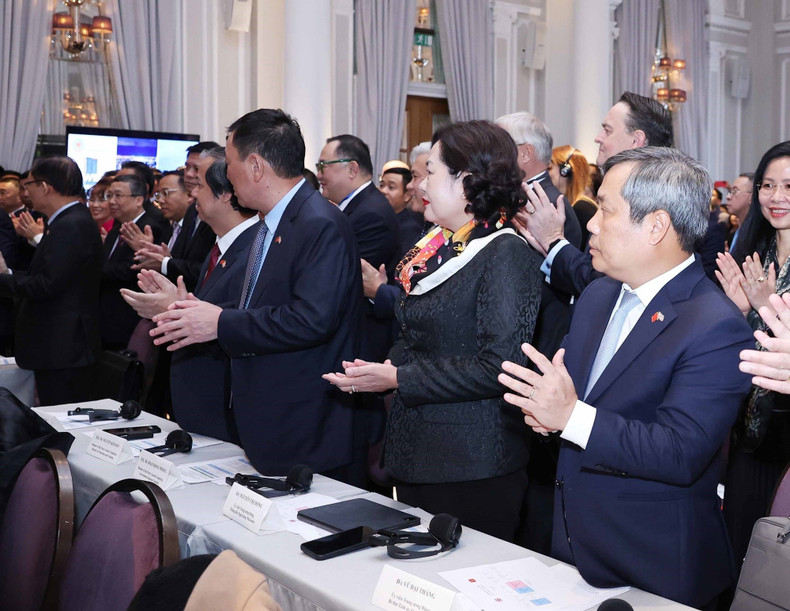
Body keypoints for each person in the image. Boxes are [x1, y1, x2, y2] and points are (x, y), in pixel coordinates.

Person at [499, 147, 753, 607]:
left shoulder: (716, 327)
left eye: (606, 210)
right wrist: (547, 416)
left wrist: (570, 417)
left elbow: (680, 452)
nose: (591, 224)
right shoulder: (599, 295)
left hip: (654, 569)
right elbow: (576, 405)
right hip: (573, 550)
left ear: (656, 226)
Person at [323, 120, 543, 542]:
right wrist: (380, 370)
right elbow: (419, 334)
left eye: (432, 172)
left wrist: (398, 377)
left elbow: (501, 365)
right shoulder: (440, 245)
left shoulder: (505, 253)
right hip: (418, 453)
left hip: (472, 463)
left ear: (469, 182)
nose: (419, 183)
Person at [149, 109, 363, 483]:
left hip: (304, 426)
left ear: (255, 166)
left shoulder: (318, 223)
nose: (226, 175)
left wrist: (218, 322)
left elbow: (311, 320)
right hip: (266, 420)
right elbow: (262, 306)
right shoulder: (272, 222)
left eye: (229, 164)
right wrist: (202, 312)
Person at [121, 147, 259, 441]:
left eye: (199, 187)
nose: (192, 195)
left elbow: (239, 324)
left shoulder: (254, 250)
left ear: (225, 194)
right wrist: (178, 303)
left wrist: (175, 308)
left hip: (225, 410)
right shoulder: (224, 245)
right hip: (199, 404)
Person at [715, 141, 790, 570]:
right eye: (767, 185)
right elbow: (735, 346)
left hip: (785, 433)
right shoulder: (752, 248)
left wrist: (765, 308)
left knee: (775, 567)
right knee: (738, 550)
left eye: (788, 186)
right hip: (746, 430)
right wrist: (740, 313)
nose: (776, 197)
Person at [519, 92, 673, 299]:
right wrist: (550, 247)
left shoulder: (648, 200)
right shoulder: (631, 190)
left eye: (607, 130)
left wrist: (553, 241)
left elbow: (604, 285)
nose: (597, 137)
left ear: (637, 140)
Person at [0, 157, 103, 404]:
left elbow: (46, 285)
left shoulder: (72, 224)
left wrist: (2, 280)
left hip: (64, 346)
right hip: (60, 345)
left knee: (61, 423)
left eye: (29, 185)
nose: (26, 193)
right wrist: (9, 275)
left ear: (45, 187)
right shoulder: (67, 220)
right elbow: (51, 276)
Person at [99, 174, 164, 350]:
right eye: (109, 195)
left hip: (128, 315)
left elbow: (133, 269)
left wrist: (92, 270)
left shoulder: (150, 227)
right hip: (107, 314)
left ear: (138, 200)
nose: (111, 201)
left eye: (118, 196)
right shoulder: (118, 225)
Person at [548, 145, 597, 250]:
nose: (546, 173)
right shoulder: (574, 205)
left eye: (550, 168)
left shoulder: (582, 208)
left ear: (565, 171)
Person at [725, 172, 754, 252]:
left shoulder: (755, 237)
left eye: (734, 191)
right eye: (730, 191)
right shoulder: (738, 230)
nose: (728, 197)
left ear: (752, 197)